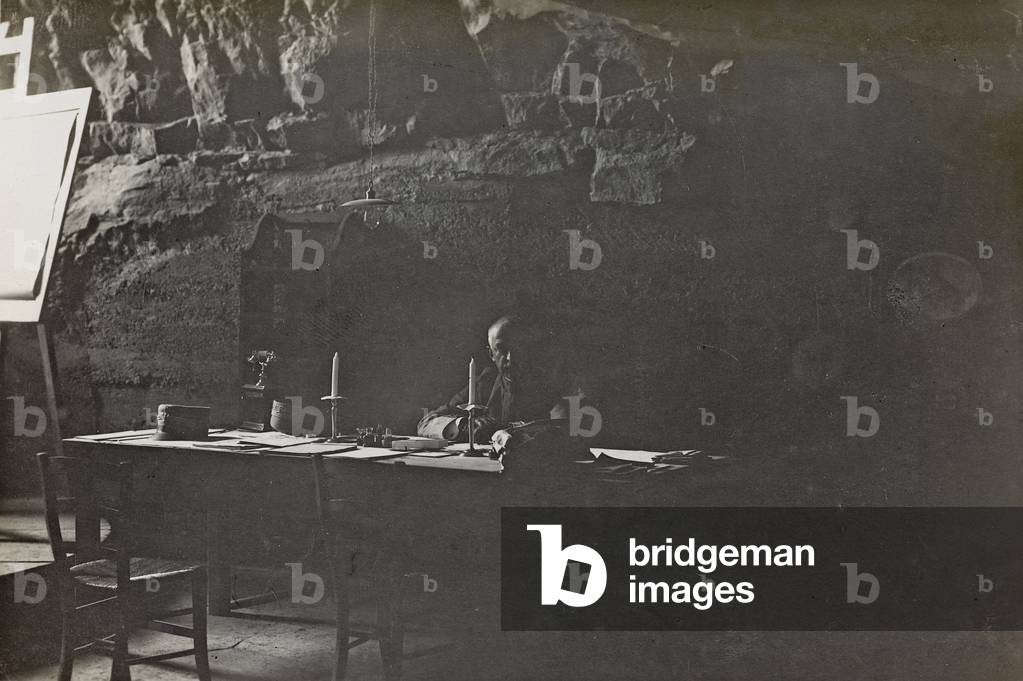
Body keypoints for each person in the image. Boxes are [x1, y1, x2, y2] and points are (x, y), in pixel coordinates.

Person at [417, 315, 571, 448]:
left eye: (519, 348)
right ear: (491, 354)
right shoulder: (485, 383)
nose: (511, 358)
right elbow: (427, 422)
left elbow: (563, 429)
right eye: (502, 350)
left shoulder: (551, 385)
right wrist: (463, 425)